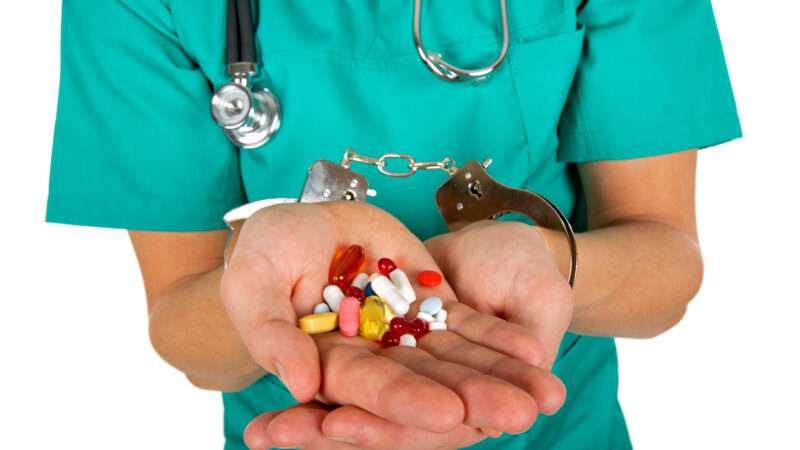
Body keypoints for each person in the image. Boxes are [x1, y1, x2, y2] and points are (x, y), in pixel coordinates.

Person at [47, 1, 740, 449]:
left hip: (553, 424)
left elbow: (666, 261)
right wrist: (258, 298)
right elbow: (178, 318)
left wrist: (548, 263)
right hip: (301, 424)